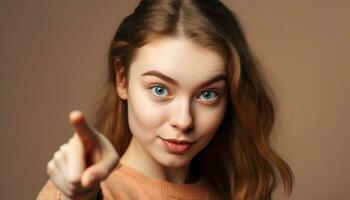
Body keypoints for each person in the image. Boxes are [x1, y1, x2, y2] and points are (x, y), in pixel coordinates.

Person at [37, 0, 294, 199]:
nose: (183, 120)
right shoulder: (91, 190)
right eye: (160, 89)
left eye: (207, 94)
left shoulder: (233, 191)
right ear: (122, 79)